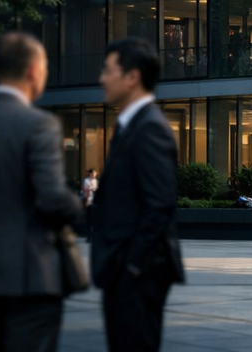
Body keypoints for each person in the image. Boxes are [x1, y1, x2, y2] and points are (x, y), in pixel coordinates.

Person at [0, 32, 83, 352]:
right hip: (31, 277)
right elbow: (52, 197)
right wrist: (77, 206)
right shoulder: (38, 124)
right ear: (33, 71)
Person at [92, 37, 185, 352]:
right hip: (125, 270)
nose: (102, 78)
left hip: (138, 274)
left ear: (132, 76)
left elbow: (159, 204)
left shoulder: (149, 128)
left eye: (108, 70)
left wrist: (132, 265)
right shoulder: (129, 125)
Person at [82, 167, 99, 241]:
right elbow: (86, 189)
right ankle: (89, 236)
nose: (95, 174)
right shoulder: (86, 180)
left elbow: (96, 189)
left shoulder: (96, 180)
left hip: (94, 201)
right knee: (88, 219)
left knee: (94, 219)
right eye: (94, 173)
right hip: (88, 201)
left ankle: (92, 235)